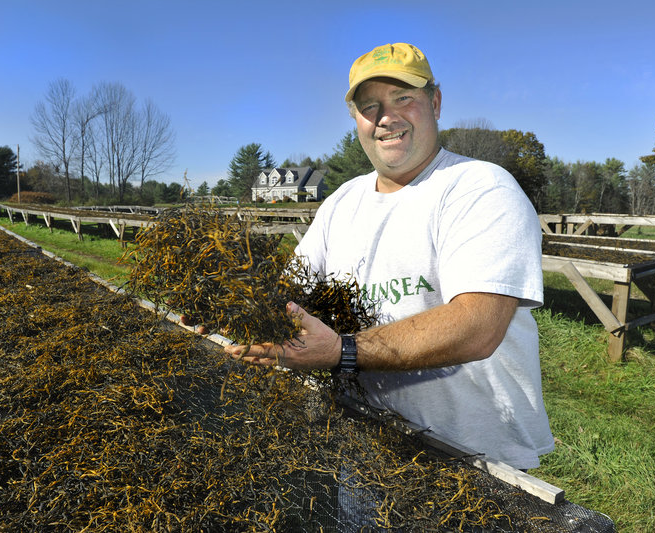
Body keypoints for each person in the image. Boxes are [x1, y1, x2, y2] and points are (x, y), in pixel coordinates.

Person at [224, 42, 553, 470]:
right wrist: (232, 300)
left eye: (404, 99)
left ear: (435, 103)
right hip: (366, 448)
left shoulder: (479, 187)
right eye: (369, 106)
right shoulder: (342, 202)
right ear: (355, 120)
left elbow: (477, 326)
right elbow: (291, 293)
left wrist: (340, 351)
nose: (385, 118)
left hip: (476, 463)